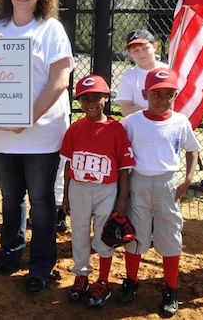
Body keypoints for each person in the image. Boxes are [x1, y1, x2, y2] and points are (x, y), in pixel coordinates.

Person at [0, 0, 74, 296]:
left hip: (42, 132)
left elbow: (60, 80)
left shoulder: (50, 29)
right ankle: (10, 254)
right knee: (10, 197)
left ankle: (41, 265)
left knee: (42, 202)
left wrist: (27, 118)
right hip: (1, 132)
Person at [120, 68, 199, 317]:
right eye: (157, 94)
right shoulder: (132, 122)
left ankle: (170, 288)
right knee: (135, 234)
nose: (163, 100)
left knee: (169, 233)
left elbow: (192, 149)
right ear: (145, 93)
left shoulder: (179, 121)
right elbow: (121, 155)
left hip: (167, 184)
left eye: (169, 95)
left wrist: (188, 178)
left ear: (175, 95)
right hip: (139, 182)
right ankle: (132, 281)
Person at [60, 75, 135, 308]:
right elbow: (68, 165)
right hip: (79, 188)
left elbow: (124, 167)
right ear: (79, 102)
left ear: (106, 98)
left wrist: (122, 197)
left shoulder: (116, 129)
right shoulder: (75, 129)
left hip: (106, 189)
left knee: (105, 234)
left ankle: (103, 281)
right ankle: (82, 275)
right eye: (85, 99)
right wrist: (65, 195)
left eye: (96, 97)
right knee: (80, 232)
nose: (90, 103)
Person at [116, 29, 168, 116]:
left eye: (145, 48)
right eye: (136, 50)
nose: (141, 53)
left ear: (155, 46)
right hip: (139, 124)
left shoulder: (169, 71)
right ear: (129, 53)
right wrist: (155, 112)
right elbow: (126, 108)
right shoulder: (129, 77)